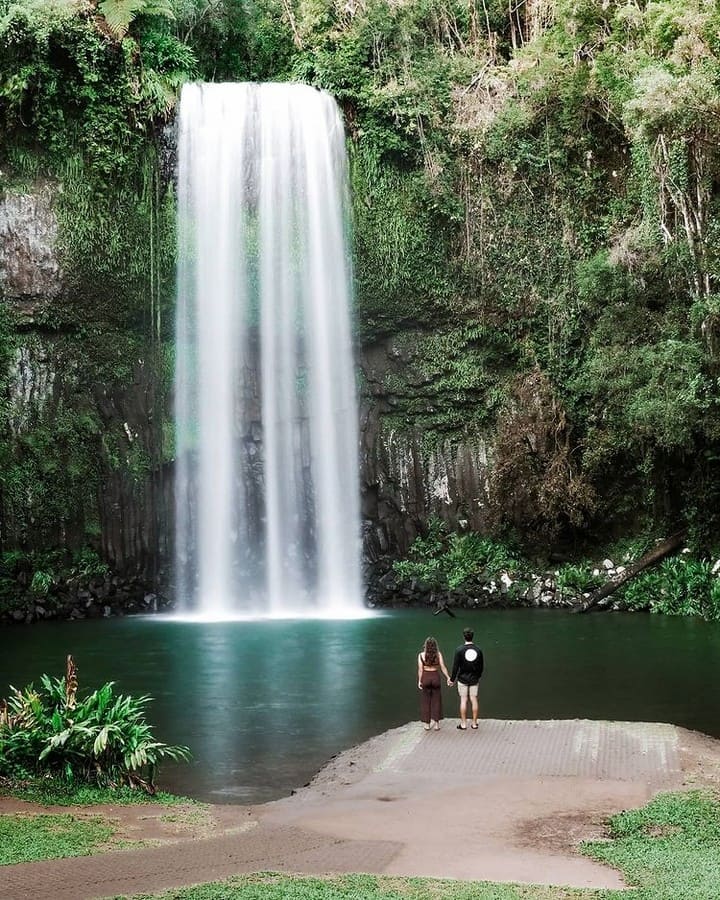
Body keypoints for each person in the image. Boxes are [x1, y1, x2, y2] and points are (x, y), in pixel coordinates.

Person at [449, 627, 484, 730]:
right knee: (474, 699)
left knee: (463, 700)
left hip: (462, 679)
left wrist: (452, 680)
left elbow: (455, 667)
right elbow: (481, 666)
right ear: (473, 636)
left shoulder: (459, 650)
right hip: (474, 679)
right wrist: (478, 676)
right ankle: (474, 723)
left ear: (463, 636)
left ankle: (463, 724)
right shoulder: (478, 650)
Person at [417, 636, 451, 731]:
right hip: (435, 677)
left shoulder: (421, 655)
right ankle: (436, 725)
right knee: (436, 701)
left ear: (425, 646)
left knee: (426, 701)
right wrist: (448, 677)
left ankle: (427, 725)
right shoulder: (438, 654)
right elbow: (443, 667)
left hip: (426, 677)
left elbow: (420, 670)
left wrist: (420, 681)